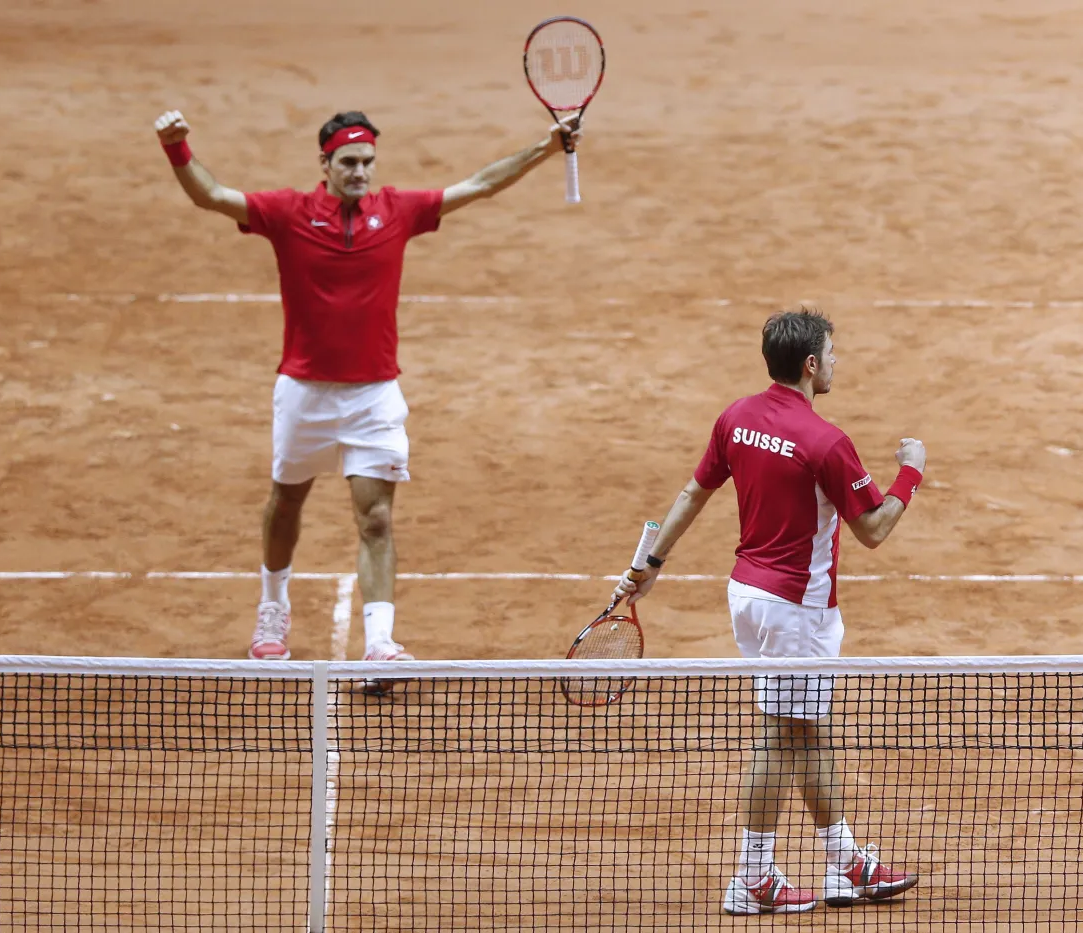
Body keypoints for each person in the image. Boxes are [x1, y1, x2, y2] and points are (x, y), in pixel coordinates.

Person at [153, 107, 580, 663]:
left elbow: (480, 184)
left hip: (374, 395)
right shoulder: (287, 212)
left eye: (367, 162)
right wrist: (177, 147)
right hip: (304, 391)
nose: (360, 171)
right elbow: (210, 195)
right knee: (285, 503)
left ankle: (379, 643)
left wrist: (546, 148)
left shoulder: (399, 211)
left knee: (376, 518)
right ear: (325, 164)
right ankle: (273, 607)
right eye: (349, 162)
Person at [613, 306, 927, 914]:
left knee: (801, 731)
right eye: (832, 355)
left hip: (748, 597)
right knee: (780, 737)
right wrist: (910, 471)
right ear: (810, 365)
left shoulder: (737, 418)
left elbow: (691, 493)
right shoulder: (825, 441)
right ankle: (755, 875)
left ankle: (846, 863)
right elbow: (873, 530)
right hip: (796, 611)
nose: (836, 363)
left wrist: (648, 565)